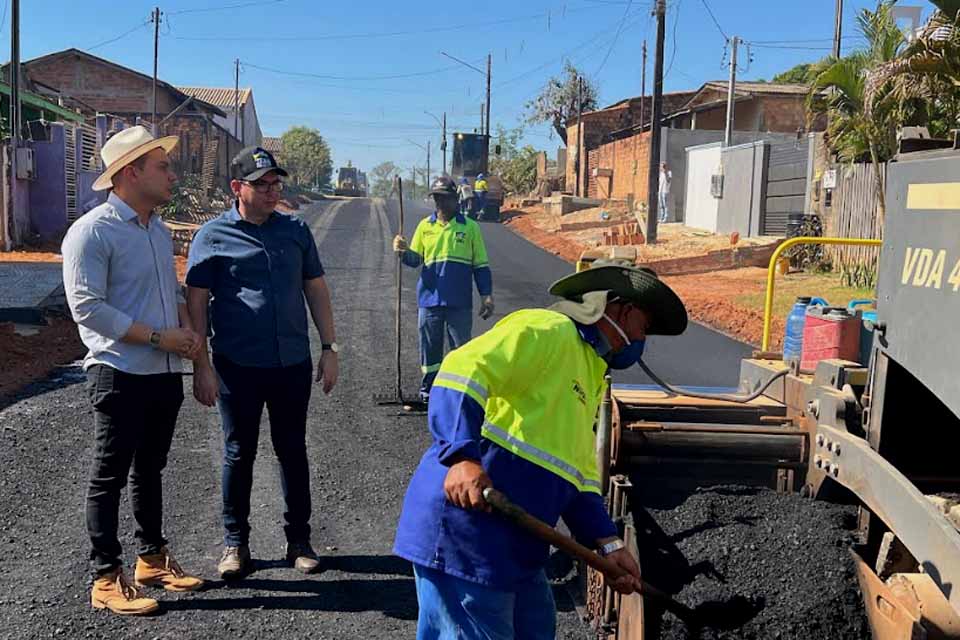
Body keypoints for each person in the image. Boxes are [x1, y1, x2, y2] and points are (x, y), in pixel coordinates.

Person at [394, 262, 689, 639]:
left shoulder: (591, 374)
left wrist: (609, 543)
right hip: (468, 533)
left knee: (536, 627)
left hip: (519, 547)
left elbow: (578, 478)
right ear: (619, 308)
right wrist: (462, 457)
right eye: (643, 327)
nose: (641, 340)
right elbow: (461, 371)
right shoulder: (548, 331)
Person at [62, 125, 205, 616]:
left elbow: (170, 290)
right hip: (118, 370)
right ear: (130, 173)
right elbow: (87, 308)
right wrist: (155, 336)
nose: (172, 174)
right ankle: (105, 578)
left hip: (163, 372)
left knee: (151, 469)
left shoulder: (158, 231)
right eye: (162, 166)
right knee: (109, 476)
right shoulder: (92, 232)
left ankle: (152, 560)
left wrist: (184, 335)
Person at [185, 146, 339, 580]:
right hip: (238, 365)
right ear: (237, 187)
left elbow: (317, 290)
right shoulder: (212, 236)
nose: (273, 192)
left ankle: (299, 541)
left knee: (293, 450)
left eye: (276, 184)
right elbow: (195, 300)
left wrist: (330, 347)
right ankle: (236, 544)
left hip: (291, 362)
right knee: (239, 452)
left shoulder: (295, 231)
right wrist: (201, 364)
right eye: (262, 184)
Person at [392, 175, 494, 400]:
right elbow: (414, 259)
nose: (440, 202)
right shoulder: (425, 227)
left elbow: (481, 266)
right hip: (429, 300)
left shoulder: (470, 228)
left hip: (459, 302)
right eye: (436, 198)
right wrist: (401, 251)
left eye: (445, 198)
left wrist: (486, 296)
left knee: (461, 351)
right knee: (430, 350)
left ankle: (461, 394)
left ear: (455, 199)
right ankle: (429, 391)